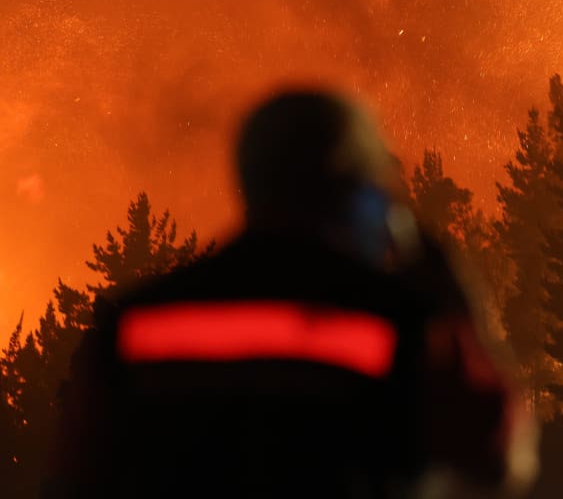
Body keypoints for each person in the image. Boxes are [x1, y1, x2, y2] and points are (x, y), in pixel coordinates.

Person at [44, 89, 537, 499]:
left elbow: (73, 479)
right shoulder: (398, 322)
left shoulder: (137, 323)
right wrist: (451, 297)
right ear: (357, 191)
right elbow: (501, 458)